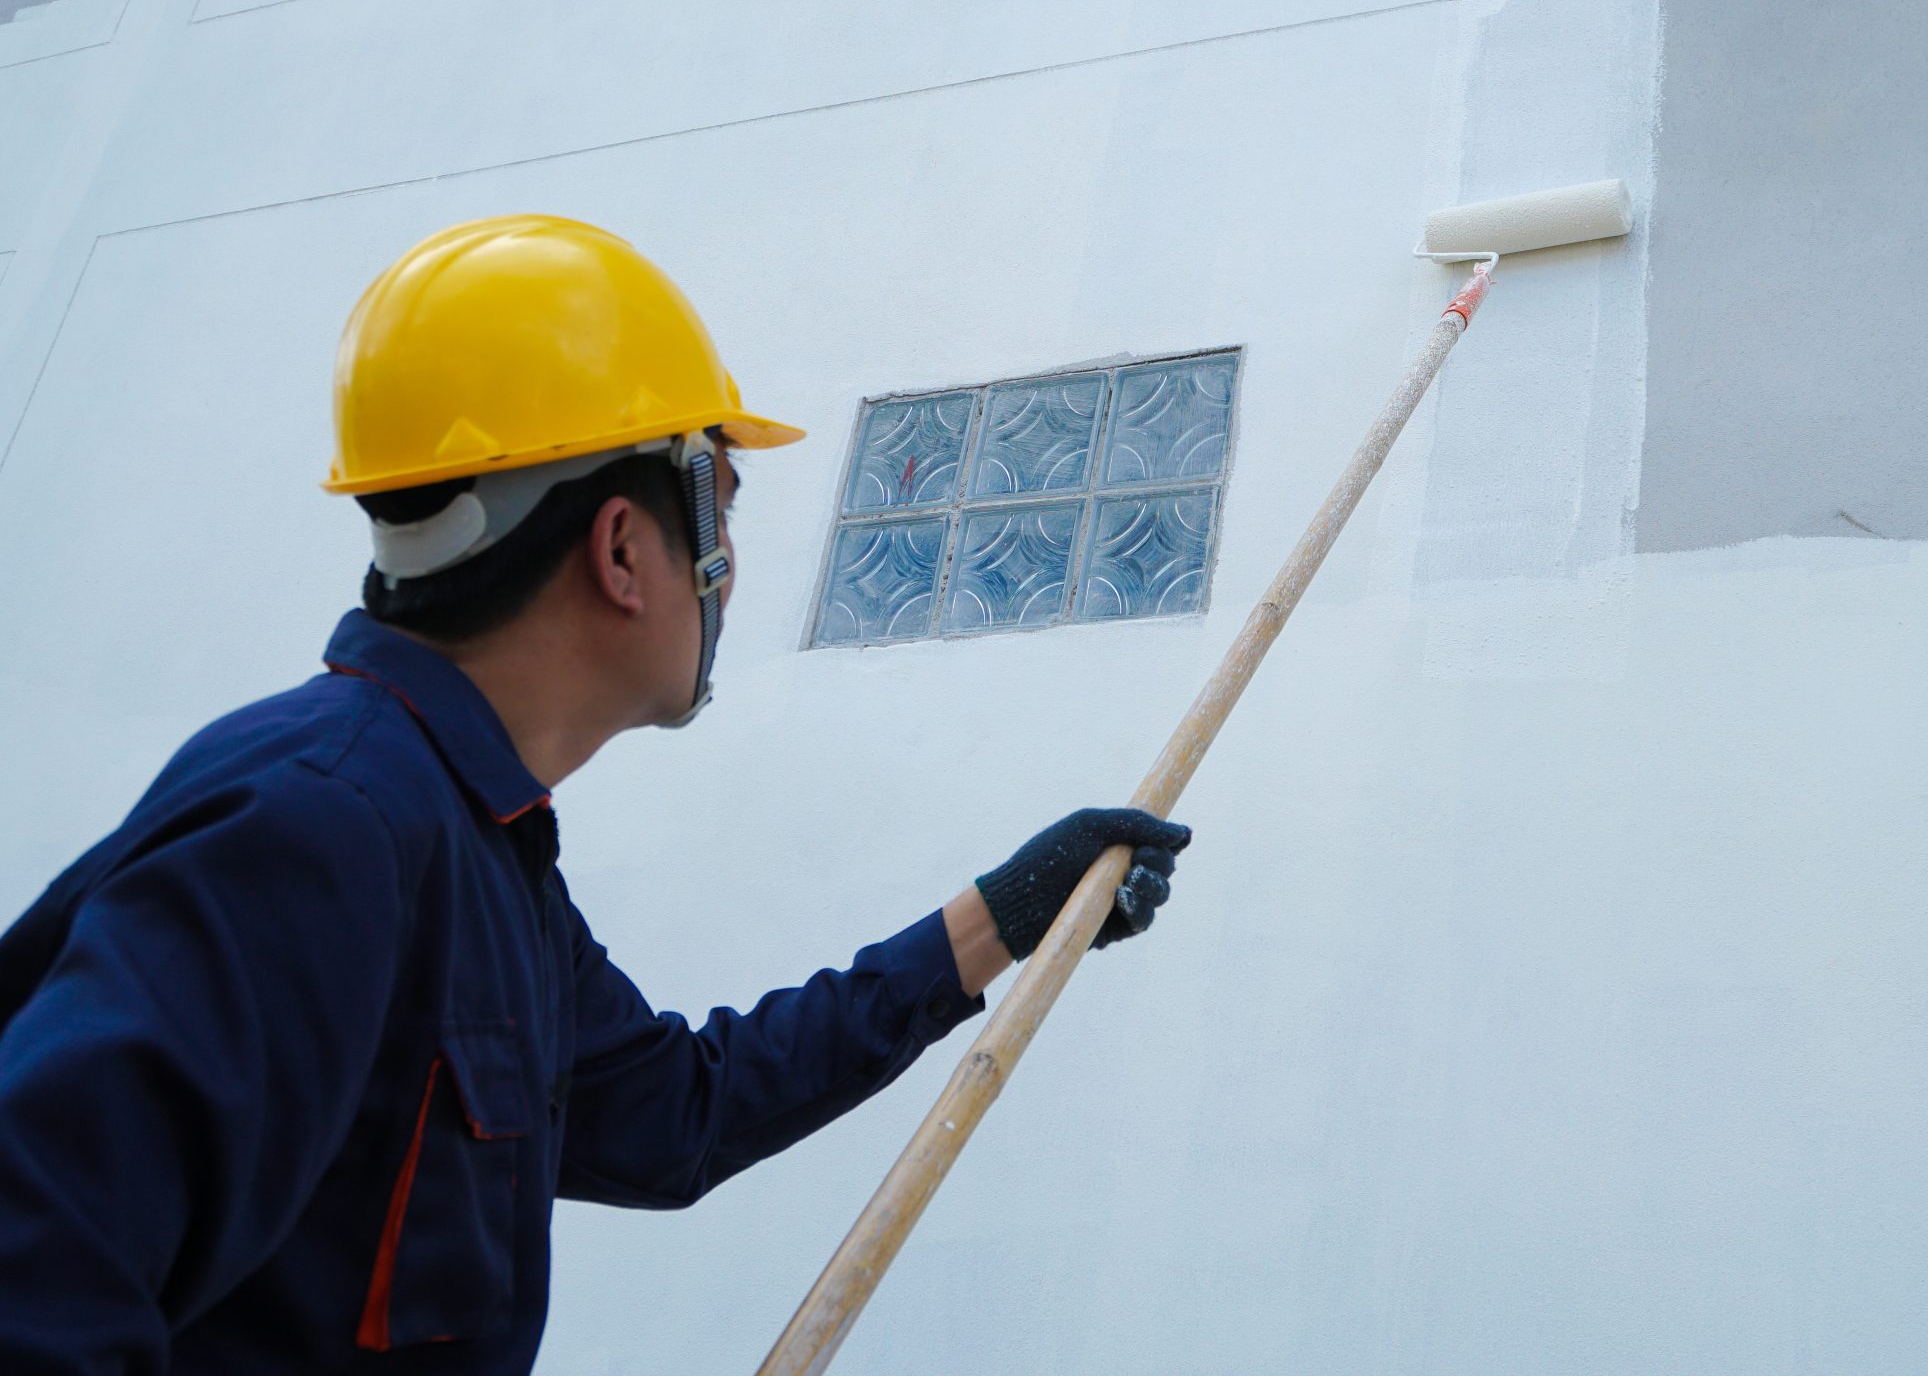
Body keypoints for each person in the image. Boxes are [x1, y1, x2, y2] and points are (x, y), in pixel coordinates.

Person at [0, 214, 1191, 1371]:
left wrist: (1002, 919)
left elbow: (674, 1115)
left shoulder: (476, 851)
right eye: (720, 504)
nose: (732, 564)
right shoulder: (321, 827)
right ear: (623, 550)